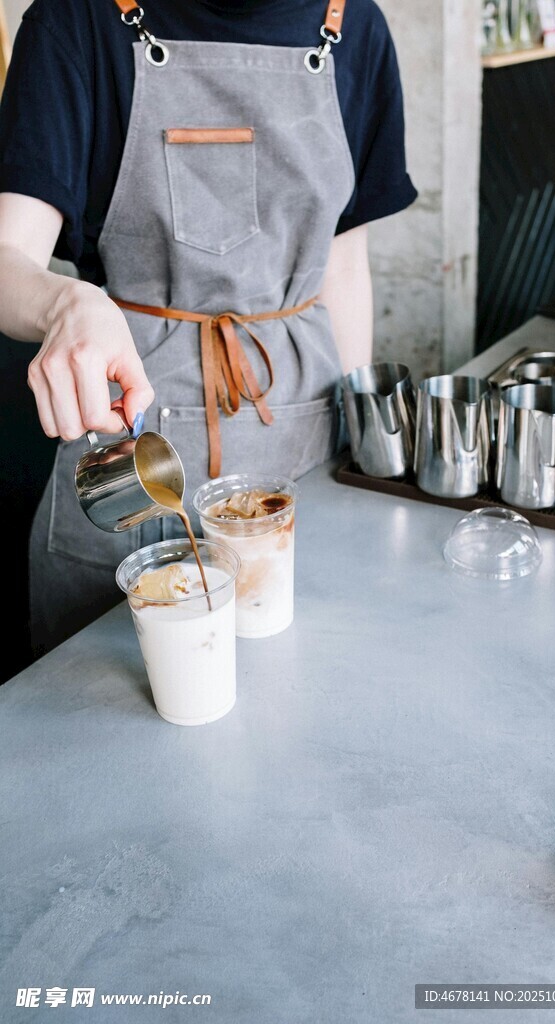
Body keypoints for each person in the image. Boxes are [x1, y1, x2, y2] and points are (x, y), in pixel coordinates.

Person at [0, 0, 417, 655]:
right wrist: (63, 304)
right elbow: (8, 258)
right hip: (133, 455)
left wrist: (363, 449)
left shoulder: (354, 25)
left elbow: (341, 264)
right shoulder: (76, 19)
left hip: (309, 444)